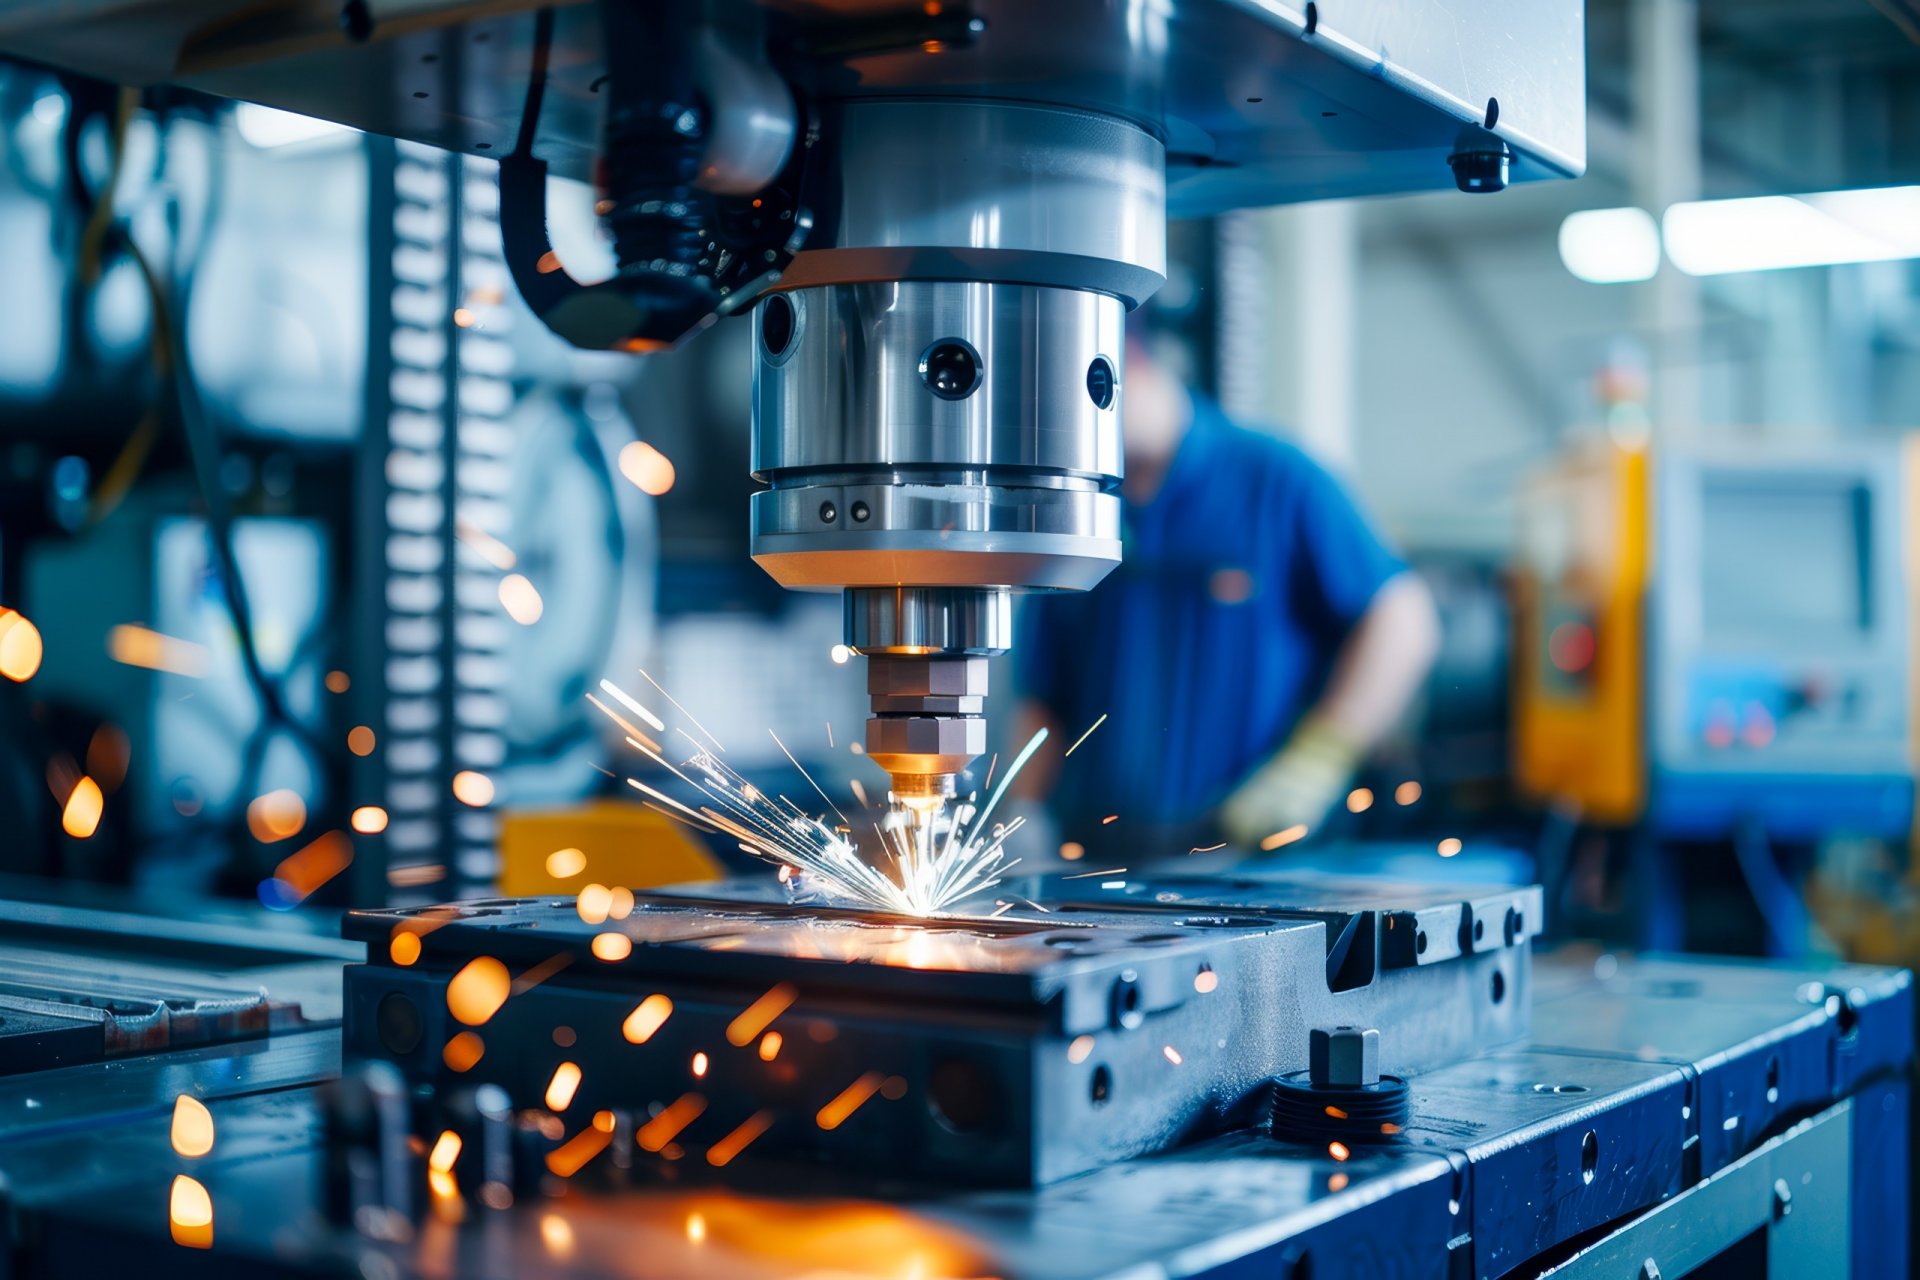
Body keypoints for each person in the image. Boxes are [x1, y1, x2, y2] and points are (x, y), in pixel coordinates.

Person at [1013, 319, 1440, 861]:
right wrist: (1024, 812)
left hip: (1257, 863)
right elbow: (1045, 697)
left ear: (1125, 371)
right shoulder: (1076, 502)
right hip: (1098, 863)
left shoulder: (1276, 480)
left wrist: (1319, 758)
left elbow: (1403, 620)